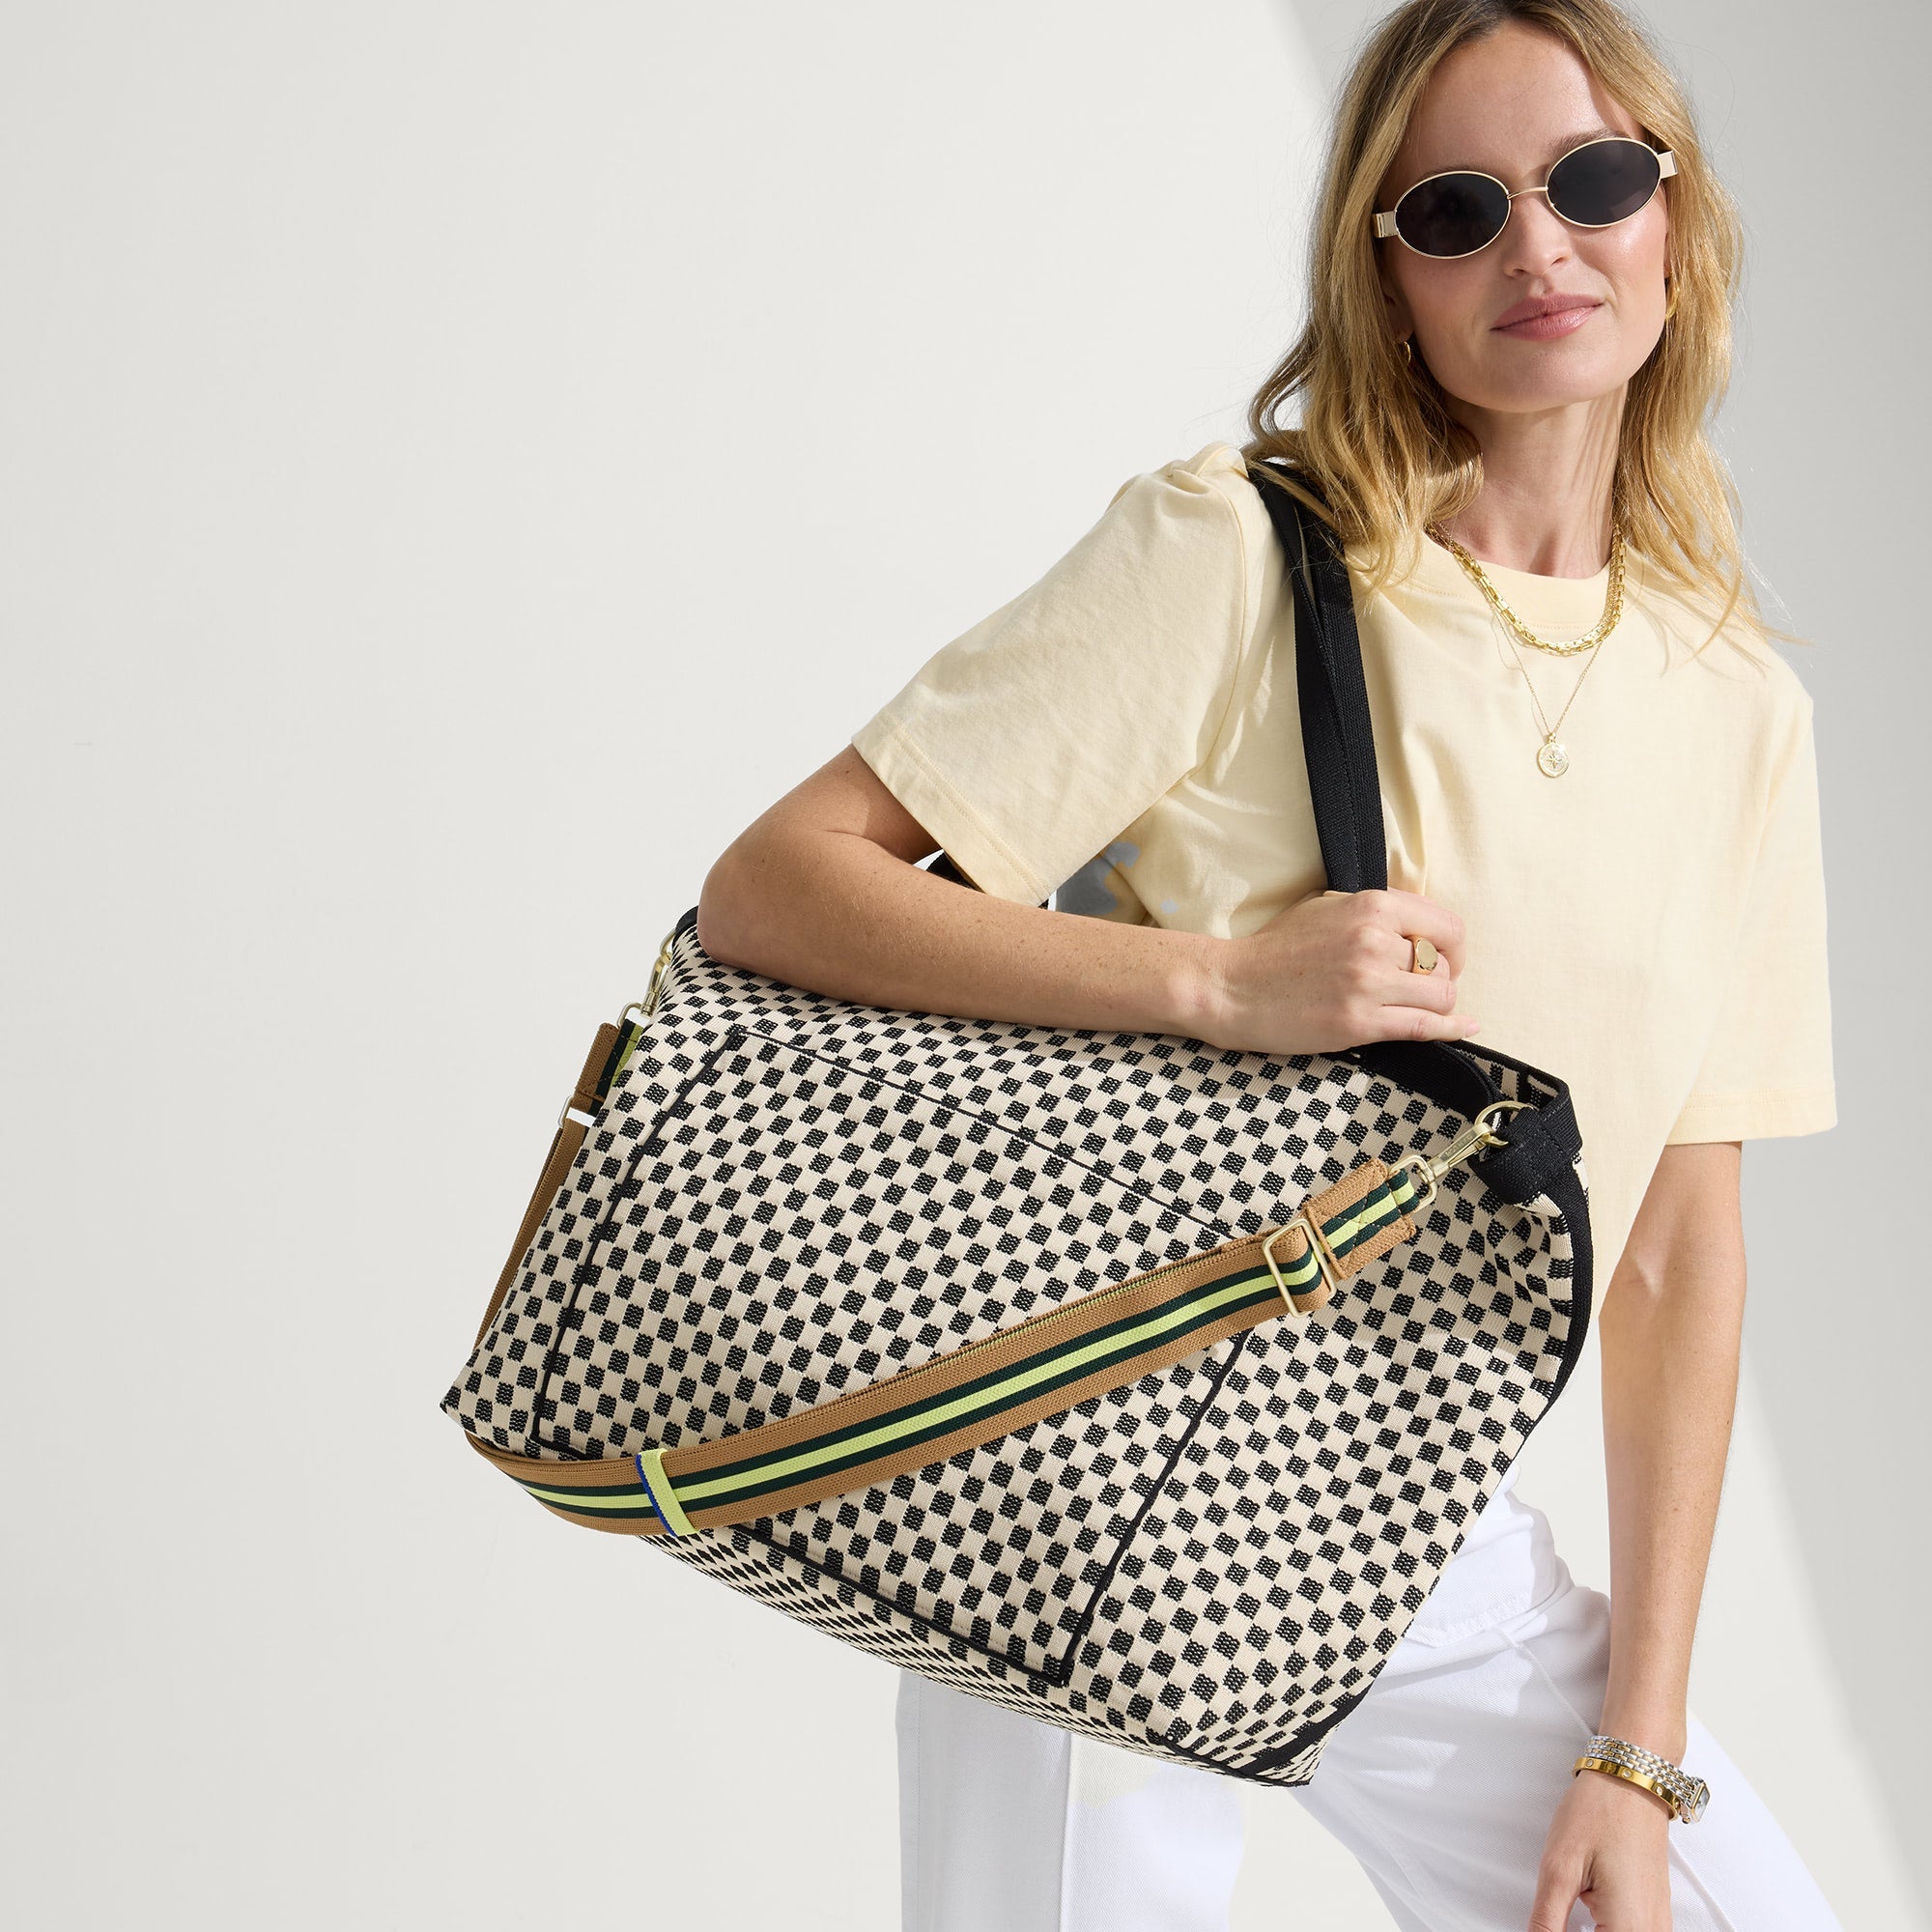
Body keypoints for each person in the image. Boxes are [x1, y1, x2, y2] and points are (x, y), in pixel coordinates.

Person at [695, 1, 1842, 1925]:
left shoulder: (1733, 702)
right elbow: (776, 886)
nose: (1539, 248)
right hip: (1093, 1436)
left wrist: (1635, 1747)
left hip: (1414, 1495)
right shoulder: (1239, 552)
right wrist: (1219, 991)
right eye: (1458, 208)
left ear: (1675, 212)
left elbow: (1673, 1251)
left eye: (1591, 180)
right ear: (1384, 273)